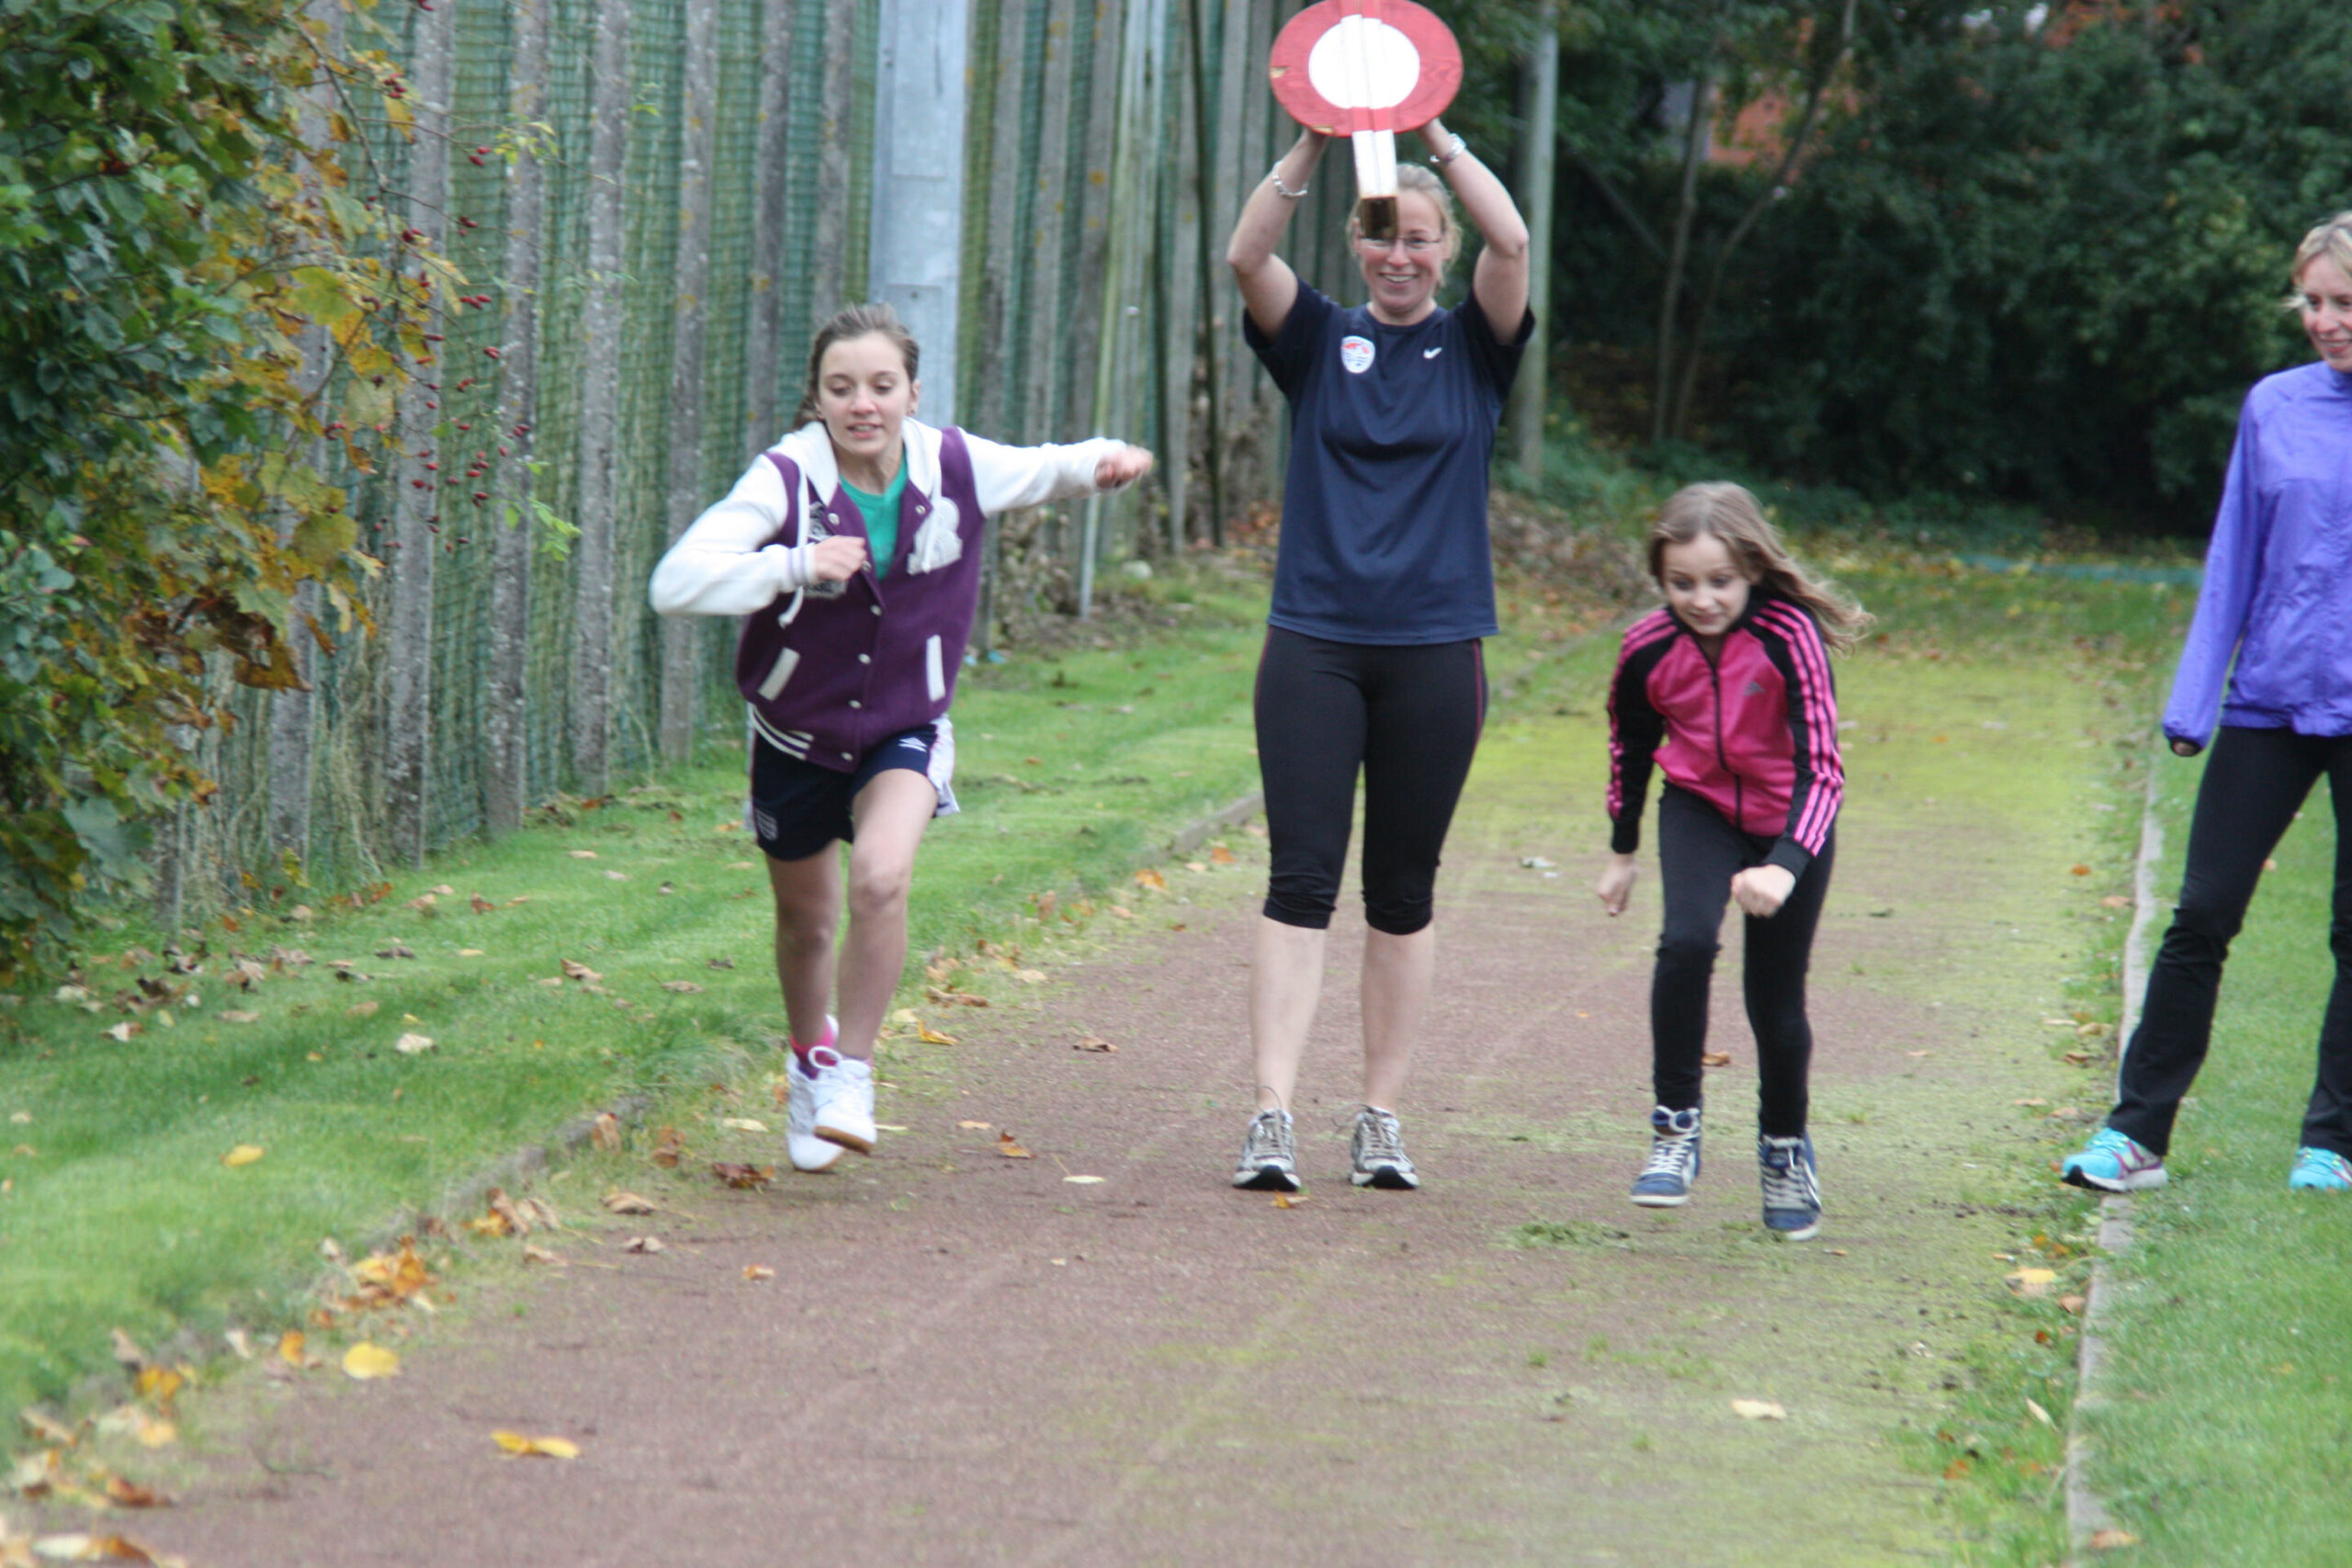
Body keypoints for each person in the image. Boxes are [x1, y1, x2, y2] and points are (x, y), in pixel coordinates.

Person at [650, 302, 1152, 1172]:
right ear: (817, 399)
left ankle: (853, 1073)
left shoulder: (951, 461)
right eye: (841, 388)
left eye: (882, 386)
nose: (863, 404)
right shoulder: (786, 479)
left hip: (904, 726)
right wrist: (793, 564)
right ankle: (809, 1061)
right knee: (806, 922)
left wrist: (1104, 460)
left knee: (881, 878)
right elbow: (675, 583)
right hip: (795, 730)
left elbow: (1044, 469)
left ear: (912, 392)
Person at [1223, 118, 1532, 1192]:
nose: (1399, 256)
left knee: (1402, 889)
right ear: (1357, 244)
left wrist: (1431, 129)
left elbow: (1515, 241)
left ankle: (1381, 1118)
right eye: (1381, 237)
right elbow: (1246, 257)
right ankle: (1271, 1115)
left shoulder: (1477, 347)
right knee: (1300, 878)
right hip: (1314, 643)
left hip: (1437, 651)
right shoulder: (1315, 339)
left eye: (1420, 239)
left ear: (1444, 249)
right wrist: (1314, 143)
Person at [2064, 213, 2352, 1196]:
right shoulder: (2272, 408)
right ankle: (2134, 1135)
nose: (2322, 320)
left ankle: (2333, 1142)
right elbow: (2234, 555)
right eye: (2310, 301)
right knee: (2201, 912)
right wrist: (2195, 700)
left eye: (2341, 302)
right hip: (2268, 700)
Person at [1596, 483, 1871, 1240]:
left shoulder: (1790, 636)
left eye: (1719, 580)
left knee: (1774, 1004)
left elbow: (1825, 769)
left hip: (1791, 821)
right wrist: (1622, 851)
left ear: (1751, 568)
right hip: (1700, 808)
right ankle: (1675, 1129)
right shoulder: (1648, 646)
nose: (1702, 599)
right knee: (1685, 940)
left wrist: (1784, 865)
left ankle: (1784, 1148)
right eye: (1682, 583)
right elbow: (1633, 747)